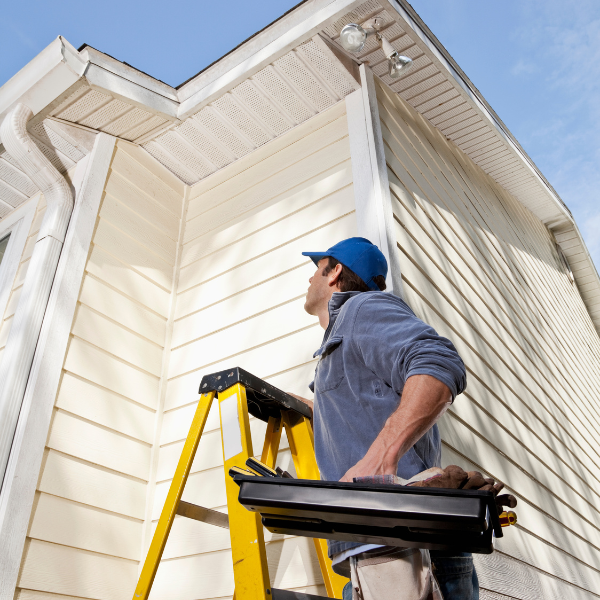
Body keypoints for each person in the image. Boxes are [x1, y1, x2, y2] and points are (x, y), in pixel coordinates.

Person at [290, 236, 478, 600]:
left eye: (316, 269)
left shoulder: (363, 309)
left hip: (403, 545)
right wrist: (313, 408)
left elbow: (440, 363)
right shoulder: (342, 340)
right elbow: (362, 411)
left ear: (335, 273)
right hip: (376, 550)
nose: (310, 279)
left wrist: (380, 457)